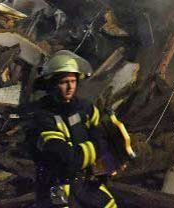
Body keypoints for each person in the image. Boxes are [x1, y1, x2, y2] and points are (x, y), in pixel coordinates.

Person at [26, 50, 117, 208]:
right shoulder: (42, 117)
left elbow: (105, 136)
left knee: (108, 204)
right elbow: (67, 159)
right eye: (64, 82)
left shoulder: (84, 108)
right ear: (53, 84)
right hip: (55, 185)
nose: (70, 87)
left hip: (84, 180)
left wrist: (108, 165)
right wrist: (97, 147)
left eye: (73, 81)